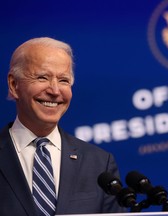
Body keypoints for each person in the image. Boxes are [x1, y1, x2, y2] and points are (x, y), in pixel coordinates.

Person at [0, 37, 125, 215]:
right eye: (42, 77)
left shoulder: (99, 163)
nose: (55, 91)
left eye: (64, 80)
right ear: (14, 85)